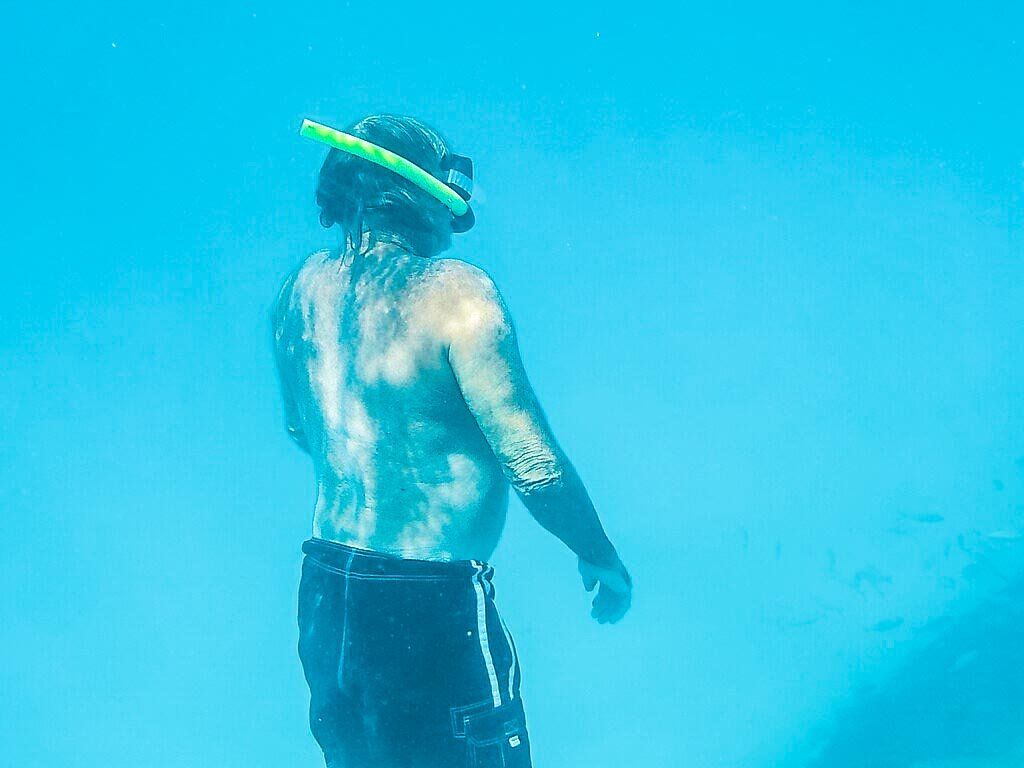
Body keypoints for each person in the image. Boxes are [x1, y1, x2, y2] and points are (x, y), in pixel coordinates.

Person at [271, 114, 632, 768]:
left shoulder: (301, 292)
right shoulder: (458, 294)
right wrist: (599, 554)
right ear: (413, 195)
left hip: (325, 590)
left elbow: (303, 429)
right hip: (427, 603)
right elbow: (533, 466)